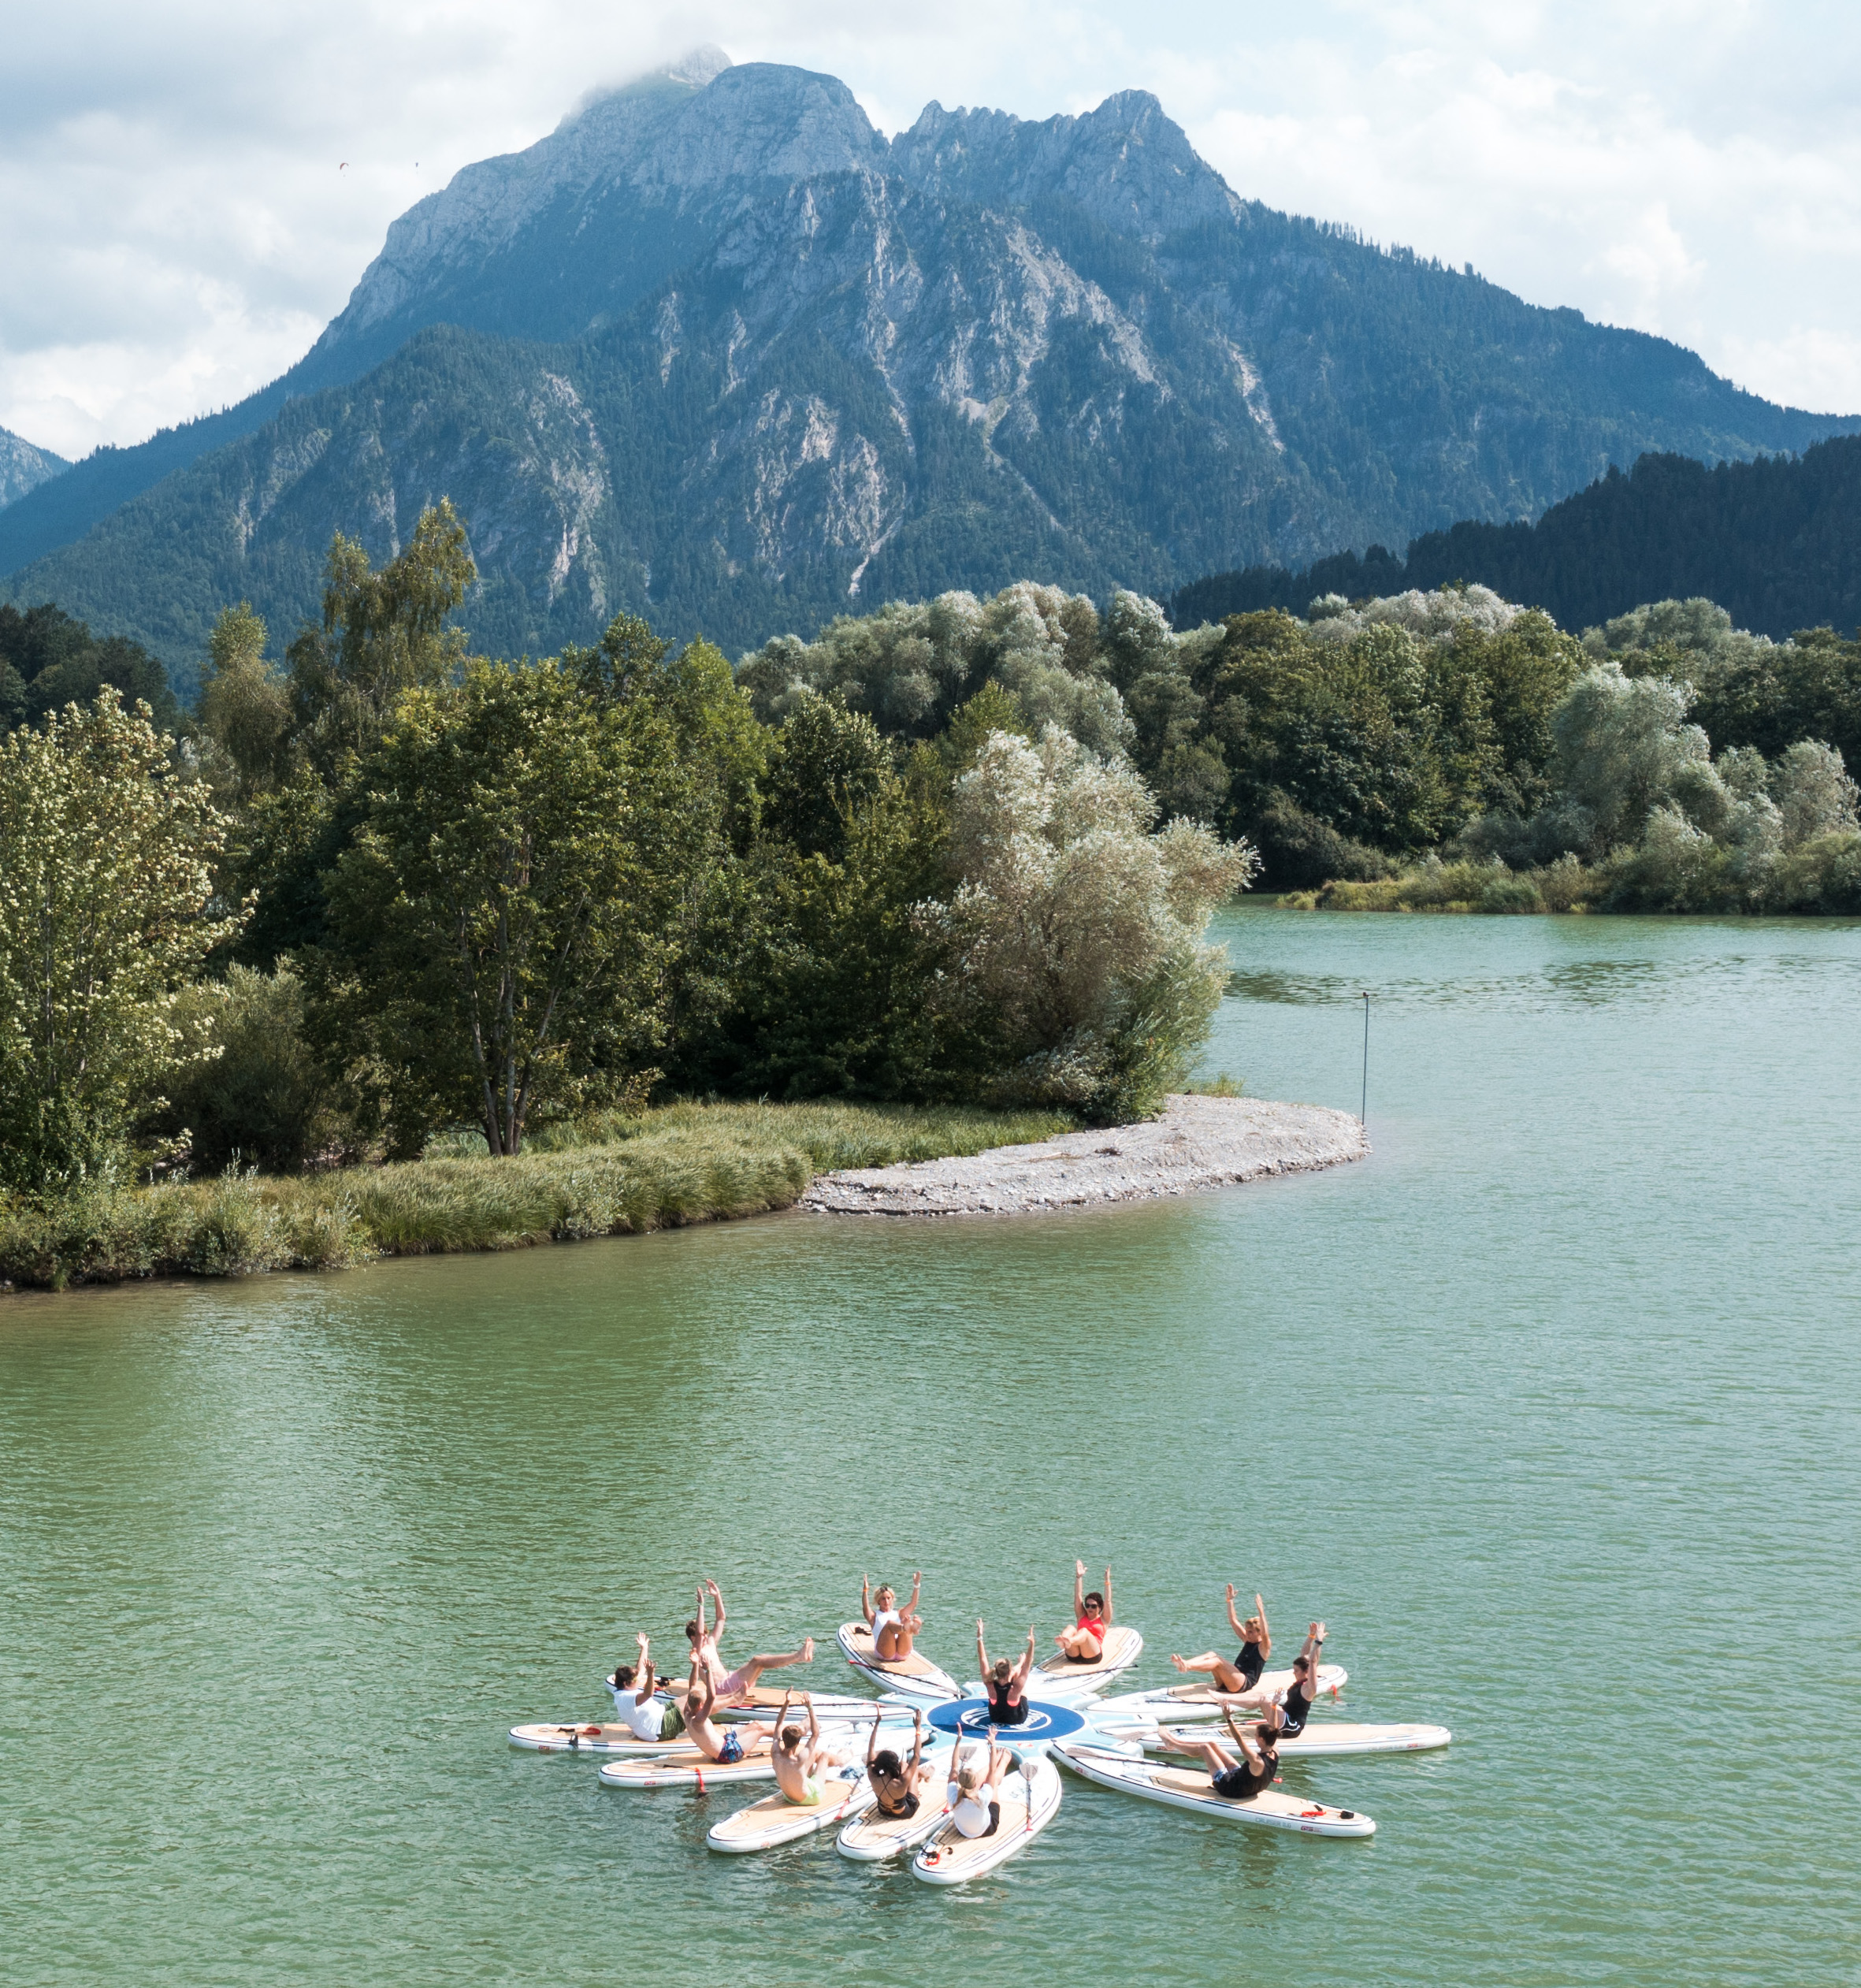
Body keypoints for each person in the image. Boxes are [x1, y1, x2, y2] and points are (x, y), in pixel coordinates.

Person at [687, 1578, 815, 1704]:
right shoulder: (696, 1652)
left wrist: (717, 1596)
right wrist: (701, 1605)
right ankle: (799, 1656)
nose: (705, 1636)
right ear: (693, 1638)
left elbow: (721, 1618)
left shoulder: (710, 1643)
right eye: (702, 1636)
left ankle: (800, 1657)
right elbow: (699, 1633)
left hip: (729, 1679)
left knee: (762, 1660)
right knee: (757, 1661)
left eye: (706, 1634)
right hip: (723, 1690)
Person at [1170, 1585, 1272, 1693]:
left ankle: (1187, 1666)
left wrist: (1261, 1612)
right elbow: (1233, 1621)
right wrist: (1229, 1600)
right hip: (1227, 1682)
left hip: (1242, 1684)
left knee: (1218, 1661)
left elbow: (1265, 1634)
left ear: (1259, 1632)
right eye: (1247, 1631)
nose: (1247, 1634)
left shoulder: (1263, 1647)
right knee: (1211, 1654)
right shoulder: (1247, 1640)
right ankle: (1185, 1663)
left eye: (1251, 1632)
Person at [680, 1652, 772, 1767]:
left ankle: (788, 1735)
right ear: (700, 1706)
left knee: (756, 1724)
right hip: (727, 1753)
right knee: (761, 1729)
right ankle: (791, 1740)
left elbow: (692, 1685)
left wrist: (695, 1665)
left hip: (725, 1742)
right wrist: (707, 1670)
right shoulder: (698, 1720)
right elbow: (712, 1696)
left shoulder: (687, 1711)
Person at [770, 1691, 850, 1805]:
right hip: (809, 1799)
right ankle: (842, 1759)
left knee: (814, 1753)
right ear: (797, 1743)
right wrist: (810, 1707)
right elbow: (815, 1734)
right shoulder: (799, 1759)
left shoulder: (775, 1753)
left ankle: (837, 1760)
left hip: (788, 1797)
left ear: (783, 1738)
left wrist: (787, 1702)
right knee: (825, 1755)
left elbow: (778, 1724)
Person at [1191, 1706, 1280, 1802]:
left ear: (1261, 1739)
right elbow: (1274, 1729)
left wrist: (1229, 1718)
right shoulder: (1275, 1751)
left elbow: (1239, 1739)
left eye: (1256, 1735)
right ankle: (1177, 1743)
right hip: (1248, 1787)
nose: (1255, 1736)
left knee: (1205, 1748)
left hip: (1230, 1789)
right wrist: (1274, 1706)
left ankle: (1177, 1744)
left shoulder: (1257, 1760)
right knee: (1213, 1745)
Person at [608, 1633, 685, 1744]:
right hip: (658, 1731)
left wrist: (644, 1648)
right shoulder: (625, 1698)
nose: (638, 1680)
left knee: (691, 1697)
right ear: (626, 1683)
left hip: (659, 1714)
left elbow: (640, 1670)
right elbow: (648, 1694)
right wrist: (651, 1674)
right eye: (635, 1679)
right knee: (694, 1703)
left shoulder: (626, 1688)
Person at [867, 1707, 941, 1821]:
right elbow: (916, 1756)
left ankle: (925, 1774)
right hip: (905, 1812)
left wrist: (876, 1724)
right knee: (913, 1769)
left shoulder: (872, 1774)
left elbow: (871, 1749)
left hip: (883, 1810)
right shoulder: (901, 1781)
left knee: (904, 1765)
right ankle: (926, 1774)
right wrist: (918, 1728)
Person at [946, 1733, 1014, 1839]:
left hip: (962, 1831)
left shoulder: (952, 1795)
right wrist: (993, 1745)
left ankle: (997, 1758)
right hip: (987, 1829)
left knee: (984, 1780)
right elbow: (992, 1771)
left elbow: (954, 1768)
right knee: (995, 1781)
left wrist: (958, 1742)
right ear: (974, 1784)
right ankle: (1004, 1760)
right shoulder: (982, 1798)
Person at [975, 1619, 1036, 1726]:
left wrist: (979, 1637)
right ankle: (1018, 1666)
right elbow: (1028, 1664)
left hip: (995, 1718)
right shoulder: (1016, 1687)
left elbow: (983, 1659)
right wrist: (1032, 1643)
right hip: (1017, 1719)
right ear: (1009, 1672)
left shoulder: (989, 1683)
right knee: (1019, 1677)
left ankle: (1018, 1665)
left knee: (1016, 1673)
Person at [1053, 1559, 1113, 1663]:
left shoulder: (1104, 1620)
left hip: (1092, 1656)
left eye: (1093, 1606)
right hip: (1075, 1655)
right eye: (1087, 1605)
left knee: (1084, 1631)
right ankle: (1064, 1640)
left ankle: (1069, 1641)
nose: (1089, 1608)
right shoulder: (1082, 1615)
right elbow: (1078, 1596)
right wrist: (1079, 1577)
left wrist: (1107, 1581)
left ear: (1100, 1608)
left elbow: (1108, 1601)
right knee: (1070, 1628)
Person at [861, 1572, 923, 1662]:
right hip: (885, 1653)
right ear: (878, 1601)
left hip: (902, 1653)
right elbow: (865, 1607)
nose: (886, 1601)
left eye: (888, 1598)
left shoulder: (899, 1613)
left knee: (906, 1621)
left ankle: (908, 1627)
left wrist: (916, 1586)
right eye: (883, 1599)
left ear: (892, 1599)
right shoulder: (874, 1616)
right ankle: (908, 1627)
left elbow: (913, 1603)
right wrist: (865, 1591)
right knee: (890, 1624)